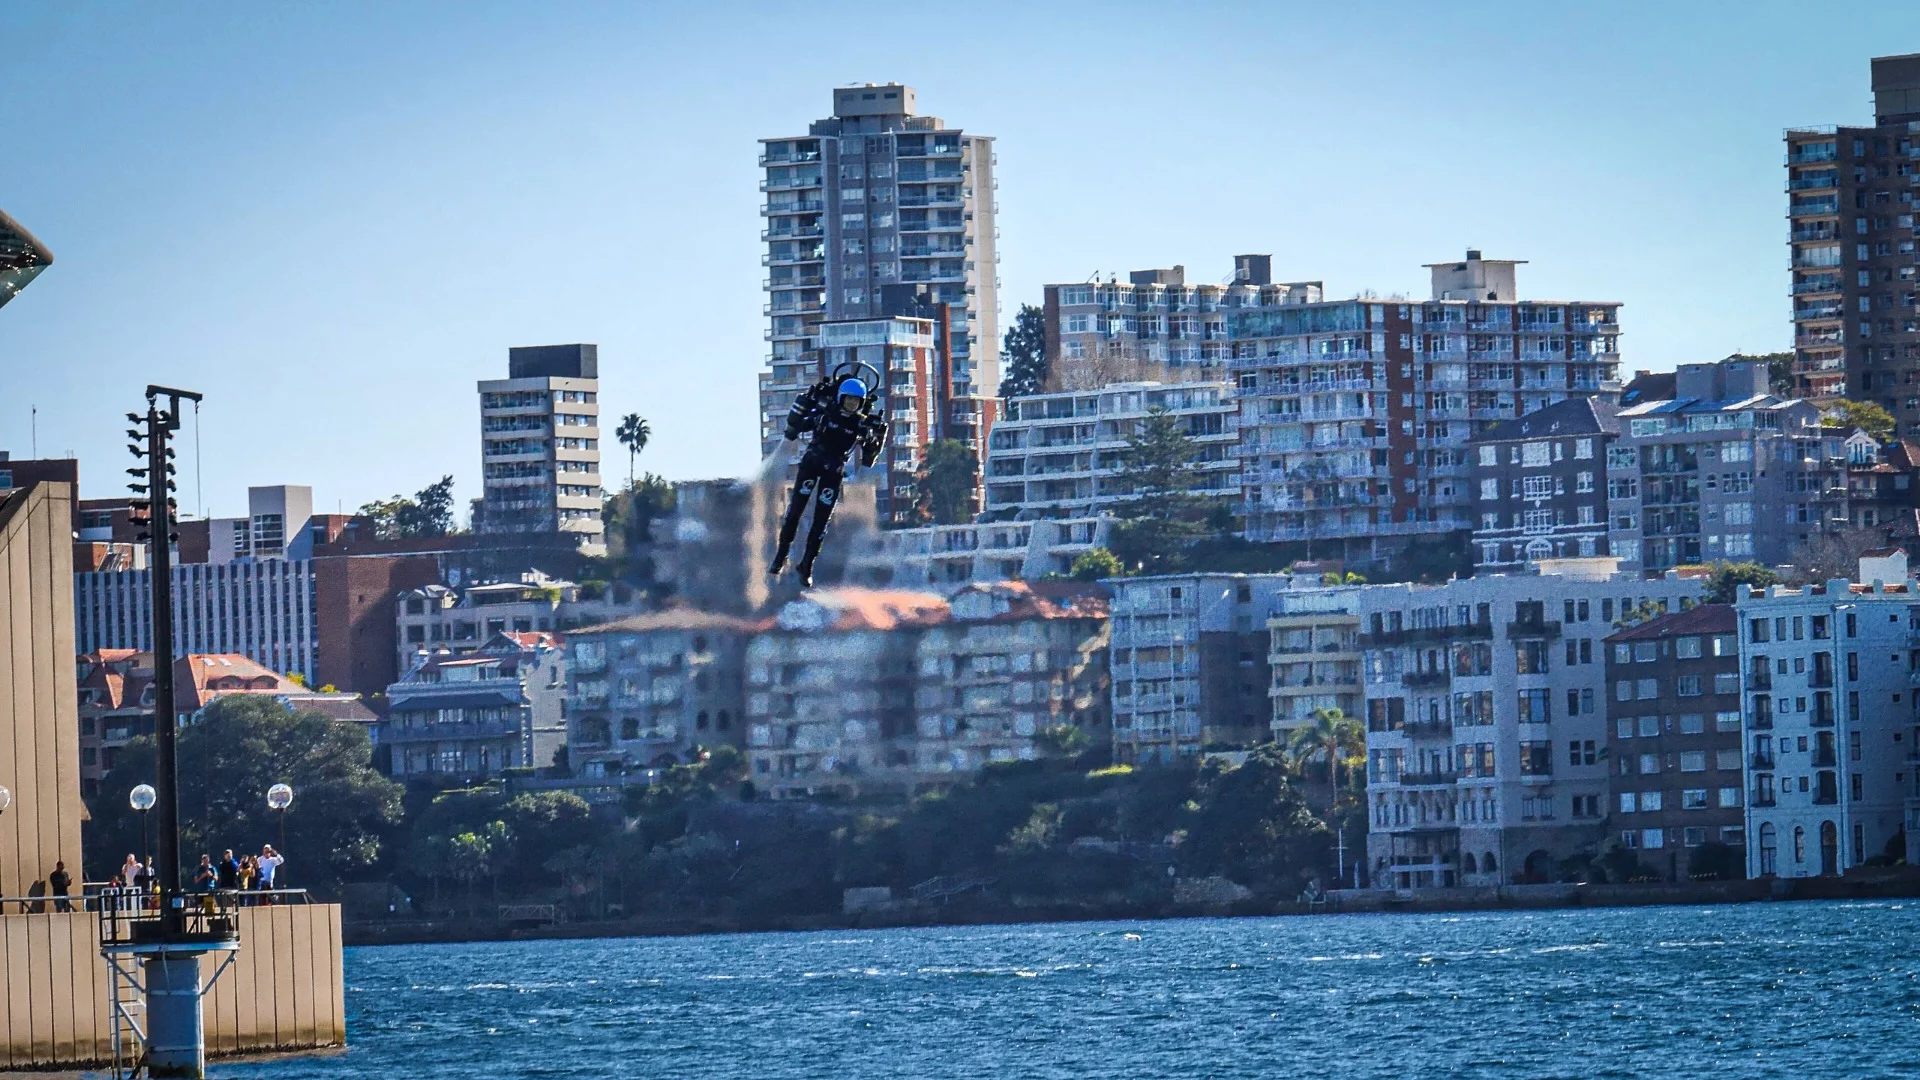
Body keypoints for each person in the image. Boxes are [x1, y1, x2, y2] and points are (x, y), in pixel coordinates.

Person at [769, 374, 886, 587]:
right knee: (795, 511)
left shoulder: (860, 426)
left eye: (856, 401)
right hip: (811, 464)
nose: (851, 404)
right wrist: (807, 410)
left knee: (821, 522)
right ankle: (781, 555)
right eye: (848, 399)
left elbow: (870, 454)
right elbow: (798, 425)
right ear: (841, 398)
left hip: (834, 472)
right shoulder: (825, 415)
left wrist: (872, 436)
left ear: (861, 403)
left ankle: (807, 565)